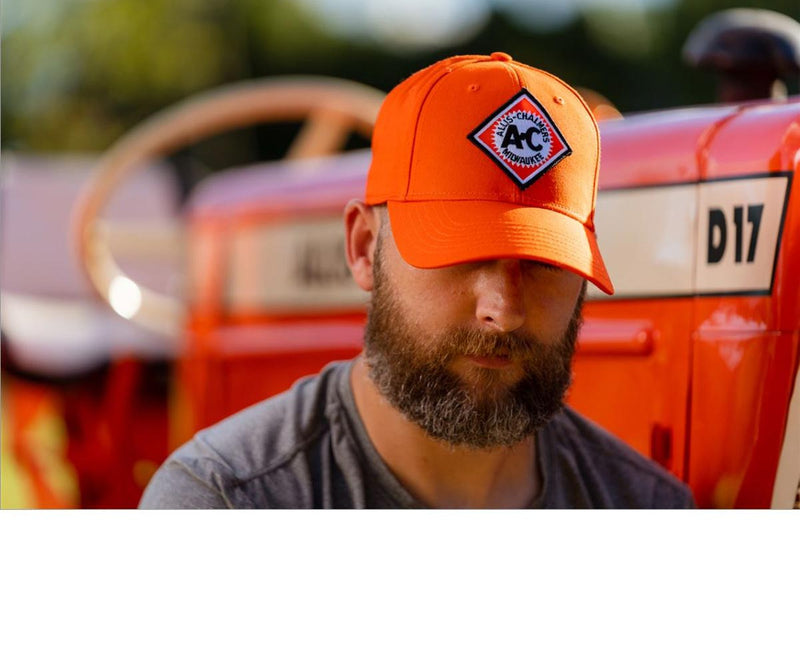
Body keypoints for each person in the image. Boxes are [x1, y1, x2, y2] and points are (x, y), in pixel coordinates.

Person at [140, 52, 694, 509]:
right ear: (363, 248)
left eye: (545, 262)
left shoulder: (647, 507)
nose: (505, 309)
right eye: (460, 252)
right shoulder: (223, 503)